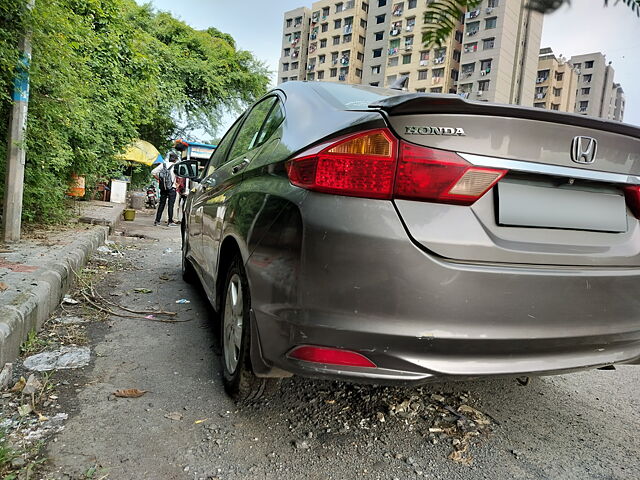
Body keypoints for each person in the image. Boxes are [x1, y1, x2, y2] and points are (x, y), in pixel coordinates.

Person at [151, 153, 179, 226]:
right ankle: (170, 222)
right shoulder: (176, 166)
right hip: (172, 187)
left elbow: (153, 172)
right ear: (175, 160)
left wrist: (159, 180)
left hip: (163, 187)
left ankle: (157, 221)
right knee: (170, 205)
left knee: (161, 204)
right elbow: (179, 176)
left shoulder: (163, 165)